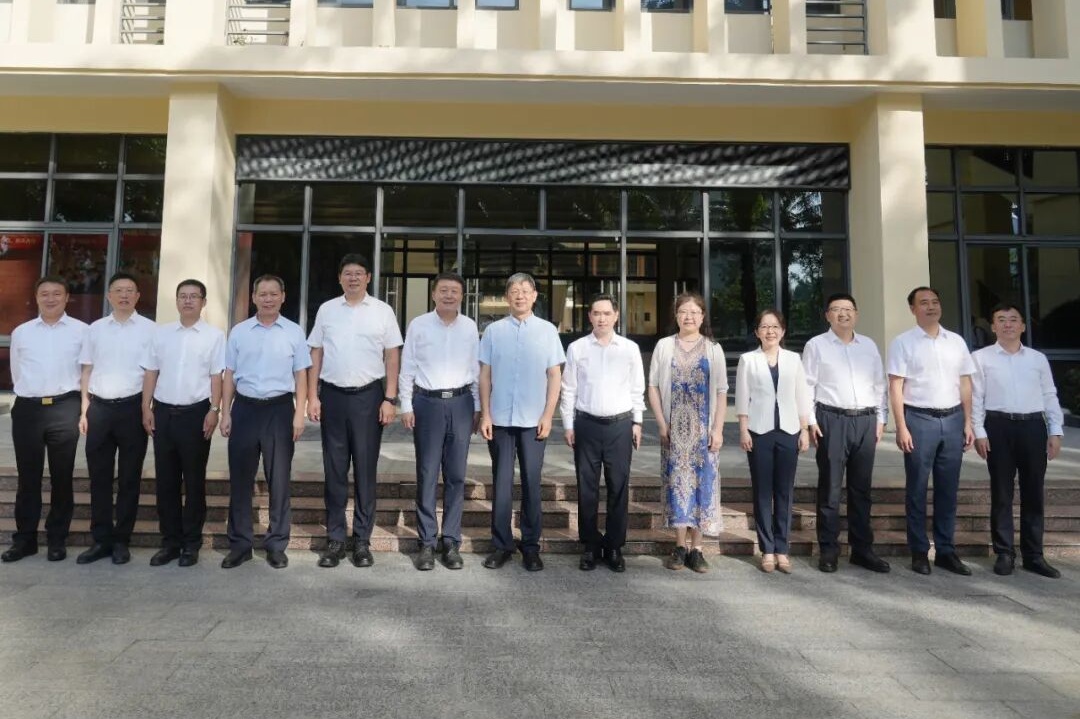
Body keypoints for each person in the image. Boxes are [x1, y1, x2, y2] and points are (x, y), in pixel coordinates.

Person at [307, 254, 402, 569]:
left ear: (368, 277)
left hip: (368, 398)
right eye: (347, 273)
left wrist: (390, 398)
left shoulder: (383, 311)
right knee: (334, 470)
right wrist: (313, 396)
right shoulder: (327, 310)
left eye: (359, 273)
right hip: (333, 396)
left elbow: (392, 356)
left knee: (365, 471)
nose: (353, 278)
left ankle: (362, 540)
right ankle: (335, 539)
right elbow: (316, 353)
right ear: (340, 278)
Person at [219, 275, 310, 570]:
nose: (268, 299)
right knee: (240, 480)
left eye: (273, 294)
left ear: (283, 296)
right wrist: (225, 412)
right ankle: (240, 545)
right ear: (254, 297)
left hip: (279, 410)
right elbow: (229, 374)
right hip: (245, 409)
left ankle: (276, 544)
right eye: (263, 294)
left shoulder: (294, 332)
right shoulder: (239, 332)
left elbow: (301, 375)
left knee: (279, 480)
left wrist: (299, 413)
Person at [887, 286, 976, 576]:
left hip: (953, 419)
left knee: (948, 489)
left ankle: (946, 551)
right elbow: (896, 386)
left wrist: (968, 421)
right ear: (913, 309)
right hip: (919, 420)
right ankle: (919, 551)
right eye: (924, 302)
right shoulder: (903, 343)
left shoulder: (956, 342)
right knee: (917, 489)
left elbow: (965, 383)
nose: (931, 306)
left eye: (935, 301)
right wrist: (901, 426)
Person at [479, 273, 564, 572]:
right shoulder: (493, 331)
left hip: (534, 421)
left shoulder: (547, 331)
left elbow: (555, 376)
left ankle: (530, 546)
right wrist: (485, 414)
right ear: (507, 297)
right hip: (500, 419)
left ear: (535, 296)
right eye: (514, 291)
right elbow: (485, 375)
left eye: (525, 291)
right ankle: (501, 545)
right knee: (501, 484)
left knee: (531, 483)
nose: (520, 295)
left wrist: (548, 415)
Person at [972, 304, 1065, 579]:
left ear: (1023, 326)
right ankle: (1004, 553)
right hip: (998, 426)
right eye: (1001, 320)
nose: (1008, 324)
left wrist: (1055, 431)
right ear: (993, 326)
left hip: (1033, 427)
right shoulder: (980, 358)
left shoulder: (1037, 359)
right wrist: (979, 431)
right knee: (1002, 493)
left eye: (1013, 320)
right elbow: (976, 397)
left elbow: (1049, 394)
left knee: (1033, 492)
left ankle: (1034, 555)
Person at [802, 293, 891, 574]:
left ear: (856, 314)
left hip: (866, 420)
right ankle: (829, 550)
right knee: (830, 489)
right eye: (837, 309)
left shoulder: (869, 345)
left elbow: (879, 384)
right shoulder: (816, 345)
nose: (843, 313)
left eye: (848, 309)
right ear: (827, 315)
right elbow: (806, 385)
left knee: (861, 490)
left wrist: (881, 419)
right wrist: (810, 421)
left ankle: (862, 550)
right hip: (831, 419)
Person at [1, 277, 88, 563]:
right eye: (45, 294)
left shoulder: (82, 331)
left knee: (62, 477)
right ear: (36, 298)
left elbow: (87, 372)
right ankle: (25, 539)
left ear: (67, 297)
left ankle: (57, 539)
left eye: (57, 294)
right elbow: (17, 372)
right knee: (28, 477)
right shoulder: (22, 332)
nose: (51, 299)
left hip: (65, 407)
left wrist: (83, 409)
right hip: (29, 409)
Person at [399, 272, 480, 571]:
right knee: (427, 473)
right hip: (428, 403)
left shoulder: (470, 327)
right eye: (443, 290)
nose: (449, 295)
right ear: (433, 294)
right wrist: (405, 405)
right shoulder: (419, 325)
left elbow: (475, 369)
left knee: (456, 475)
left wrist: (477, 407)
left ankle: (451, 541)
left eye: (454, 291)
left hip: (461, 403)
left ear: (462, 296)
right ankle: (426, 543)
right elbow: (407, 367)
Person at [141, 279, 225, 568]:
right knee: (166, 481)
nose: (188, 301)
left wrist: (214, 410)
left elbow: (216, 376)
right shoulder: (161, 334)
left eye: (194, 296)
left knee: (193, 481)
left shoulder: (214, 336)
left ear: (203, 302)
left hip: (196, 414)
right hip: (163, 412)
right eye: (183, 296)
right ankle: (170, 542)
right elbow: (151, 372)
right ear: (176, 301)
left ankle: (191, 543)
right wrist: (146, 407)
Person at [76, 272, 156, 566]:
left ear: (137, 296)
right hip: (99, 408)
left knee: (129, 477)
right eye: (118, 290)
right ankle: (101, 540)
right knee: (99, 477)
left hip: (133, 409)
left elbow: (153, 372)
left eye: (129, 290)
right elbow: (87, 370)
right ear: (109, 296)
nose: (124, 295)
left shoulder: (151, 330)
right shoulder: (95, 329)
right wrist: (84, 409)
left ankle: (122, 540)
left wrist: (147, 408)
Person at [562, 294, 645, 573]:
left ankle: (614, 546)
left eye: (607, 313)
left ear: (616, 316)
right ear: (589, 316)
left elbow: (637, 388)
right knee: (586, 487)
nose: (601, 318)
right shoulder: (577, 348)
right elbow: (569, 389)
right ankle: (589, 545)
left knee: (618, 487)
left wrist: (637, 422)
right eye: (596, 313)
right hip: (586, 425)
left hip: (620, 426)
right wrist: (568, 425)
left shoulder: (629, 349)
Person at [647, 292, 727, 574]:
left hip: (703, 434)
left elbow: (721, 391)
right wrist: (661, 424)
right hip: (675, 433)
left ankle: (697, 549)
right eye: (683, 311)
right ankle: (679, 546)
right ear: (676, 315)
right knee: (677, 486)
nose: (689, 316)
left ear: (702, 317)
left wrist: (718, 430)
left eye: (694, 312)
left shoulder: (713, 349)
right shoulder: (664, 346)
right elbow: (653, 386)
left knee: (703, 487)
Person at [736, 309, 811, 574]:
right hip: (759, 431)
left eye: (775, 326)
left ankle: (782, 549)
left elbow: (802, 396)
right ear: (757, 332)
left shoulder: (793, 359)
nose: (770, 331)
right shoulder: (748, 360)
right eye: (765, 327)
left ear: (783, 331)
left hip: (789, 431)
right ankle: (767, 550)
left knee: (784, 491)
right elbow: (742, 398)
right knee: (762, 491)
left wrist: (804, 430)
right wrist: (743, 430)